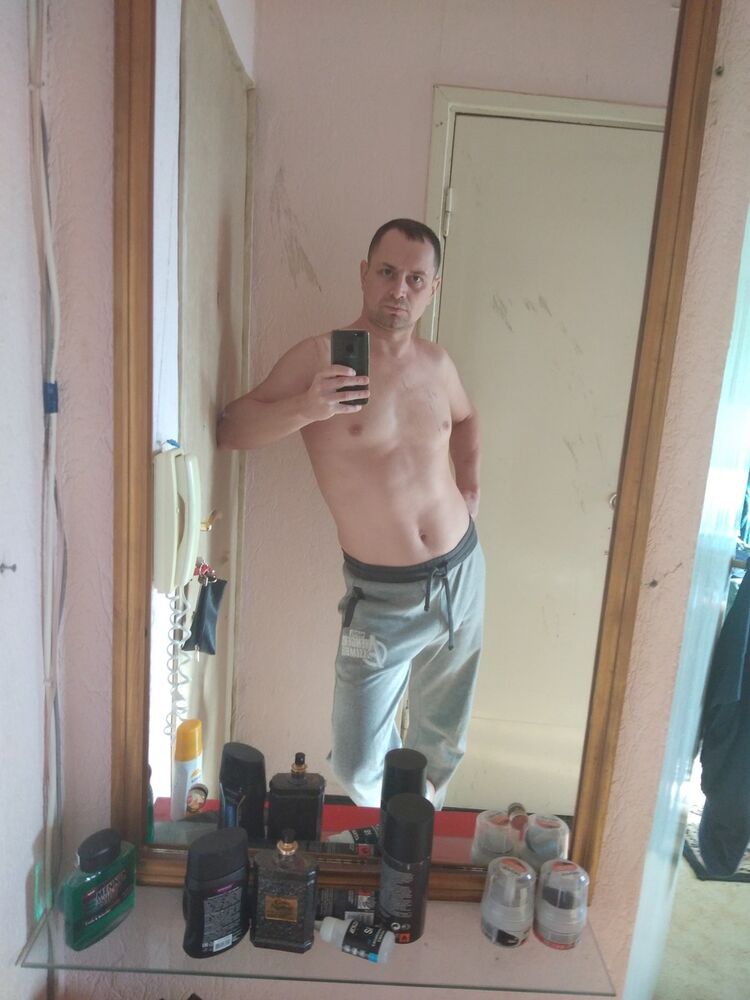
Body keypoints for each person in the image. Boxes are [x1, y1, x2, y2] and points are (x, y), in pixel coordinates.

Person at [217, 218, 484, 808]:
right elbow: (232, 428)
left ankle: (412, 829)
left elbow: (466, 420)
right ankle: (400, 808)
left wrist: (469, 489)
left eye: (415, 279)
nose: (399, 290)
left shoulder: (437, 364)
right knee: (361, 764)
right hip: (382, 596)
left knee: (442, 739)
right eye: (387, 272)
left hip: (462, 573)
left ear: (433, 289)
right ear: (364, 274)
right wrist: (307, 406)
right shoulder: (317, 358)